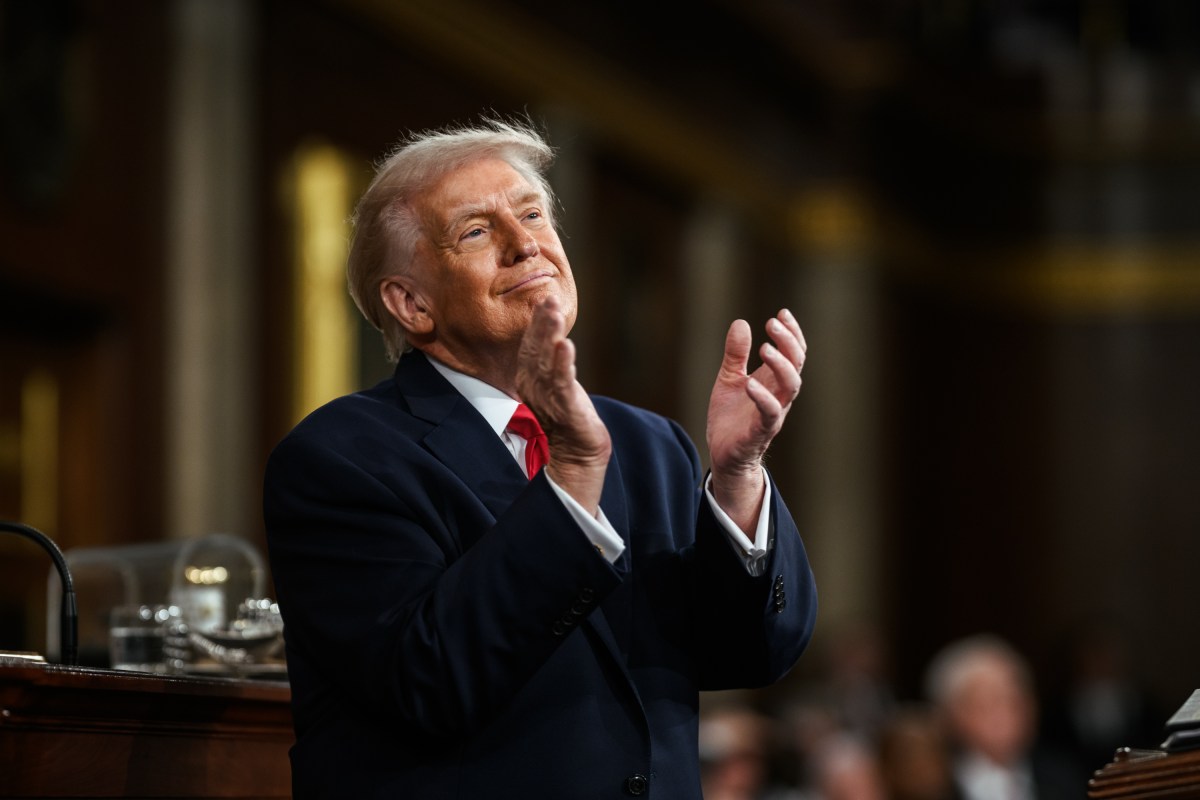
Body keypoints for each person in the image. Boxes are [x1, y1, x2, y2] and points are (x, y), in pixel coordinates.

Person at [263, 117, 818, 799]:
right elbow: (429, 682)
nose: (525, 244)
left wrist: (738, 478)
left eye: (532, 214)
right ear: (411, 303)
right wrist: (572, 479)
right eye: (476, 230)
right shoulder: (341, 458)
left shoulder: (651, 446)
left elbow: (757, 653)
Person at [923, 634, 1081, 800]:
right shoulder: (930, 785)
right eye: (989, 700)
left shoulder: (1064, 778)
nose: (1008, 713)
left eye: (1016, 698)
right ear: (951, 713)